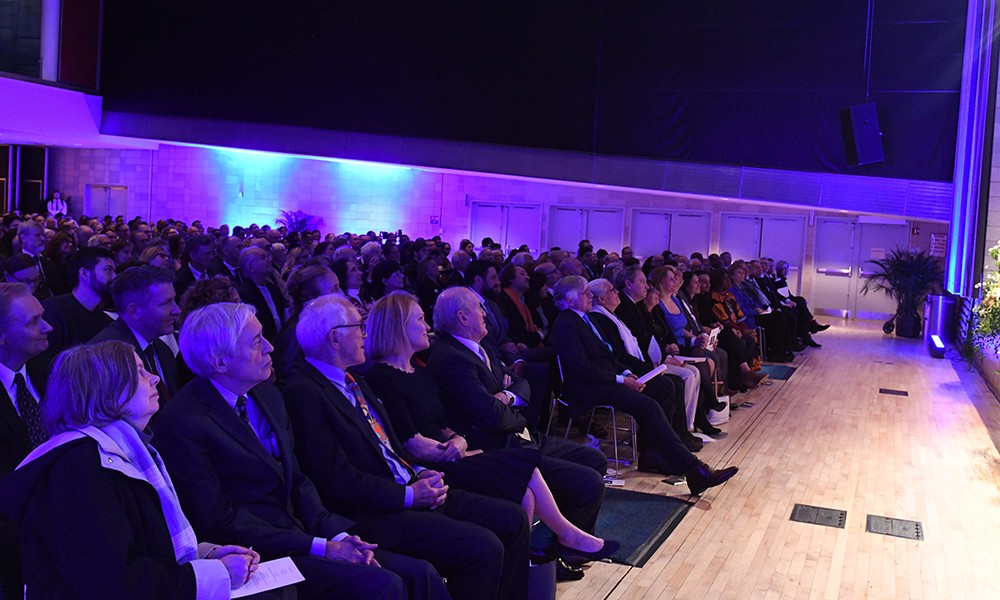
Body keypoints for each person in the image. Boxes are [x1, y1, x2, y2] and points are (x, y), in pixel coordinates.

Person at [153, 303, 441, 599]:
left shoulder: (265, 392)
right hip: (256, 556)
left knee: (421, 575)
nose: (269, 347)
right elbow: (221, 521)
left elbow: (299, 480)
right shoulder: (182, 423)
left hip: (305, 533)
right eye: (256, 341)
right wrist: (320, 546)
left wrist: (337, 535)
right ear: (221, 362)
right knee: (385, 585)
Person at [284, 294, 535, 600]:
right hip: (374, 511)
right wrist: (408, 495)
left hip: (410, 485)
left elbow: (388, 445)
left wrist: (419, 472)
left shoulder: (352, 379)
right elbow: (335, 478)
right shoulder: (305, 393)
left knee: (512, 518)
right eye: (358, 327)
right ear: (335, 338)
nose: (365, 334)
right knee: (482, 547)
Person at [362, 293, 619, 568]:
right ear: (399, 326)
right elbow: (410, 442)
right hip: (436, 464)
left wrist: (457, 438)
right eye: (420, 320)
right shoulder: (384, 378)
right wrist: (458, 450)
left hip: (458, 448)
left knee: (533, 486)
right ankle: (563, 540)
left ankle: (533, 562)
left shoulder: (419, 372)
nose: (427, 326)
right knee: (525, 470)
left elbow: (444, 420)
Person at [0, 341, 265, 599]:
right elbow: (112, 582)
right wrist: (215, 574)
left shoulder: (123, 452)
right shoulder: (77, 467)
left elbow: (143, 547)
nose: (154, 379)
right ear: (105, 390)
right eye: (139, 372)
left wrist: (205, 555)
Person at [426, 287, 609, 547]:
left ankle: (560, 545)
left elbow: (521, 384)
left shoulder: (481, 346)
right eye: (480, 309)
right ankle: (564, 549)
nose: (485, 314)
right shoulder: (451, 358)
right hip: (501, 446)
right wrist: (510, 405)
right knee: (587, 482)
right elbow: (491, 416)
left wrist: (508, 397)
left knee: (595, 460)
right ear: (462, 317)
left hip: (520, 435)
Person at [548, 276, 739, 493]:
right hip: (589, 388)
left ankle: (653, 453)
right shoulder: (565, 324)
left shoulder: (582, 319)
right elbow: (581, 369)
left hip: (605, 379)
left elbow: (608, 356)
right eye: (584, 293)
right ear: (570, 299)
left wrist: (628, 373)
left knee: (664, 387)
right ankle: (694, 469)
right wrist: (622, 379)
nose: (590, 295)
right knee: (649, 406)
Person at [92, 266, 181, 403]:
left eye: (174, 301)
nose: (177, 310)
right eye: (166, 303)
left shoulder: (163, 350)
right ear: (134, 311)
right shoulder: (107, 358)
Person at [237, 247, 288, 344]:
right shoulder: (244, 293)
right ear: (251, 266)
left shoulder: (272, 287)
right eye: (263, 258)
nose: (270, 259)